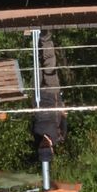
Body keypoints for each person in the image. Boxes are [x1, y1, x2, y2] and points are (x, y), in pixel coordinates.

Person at [31, 30, 67, 168]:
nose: (43, 145)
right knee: (49, 64)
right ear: (52, 149)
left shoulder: (36, 135)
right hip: (53, 94)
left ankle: (35, 40)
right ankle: (46, 37)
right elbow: (64, 116)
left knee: (37, 66)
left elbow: (33, 118)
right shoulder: (59, 137)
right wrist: (62, 104)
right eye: (46, 148)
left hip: (38, 97)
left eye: (41, 148)